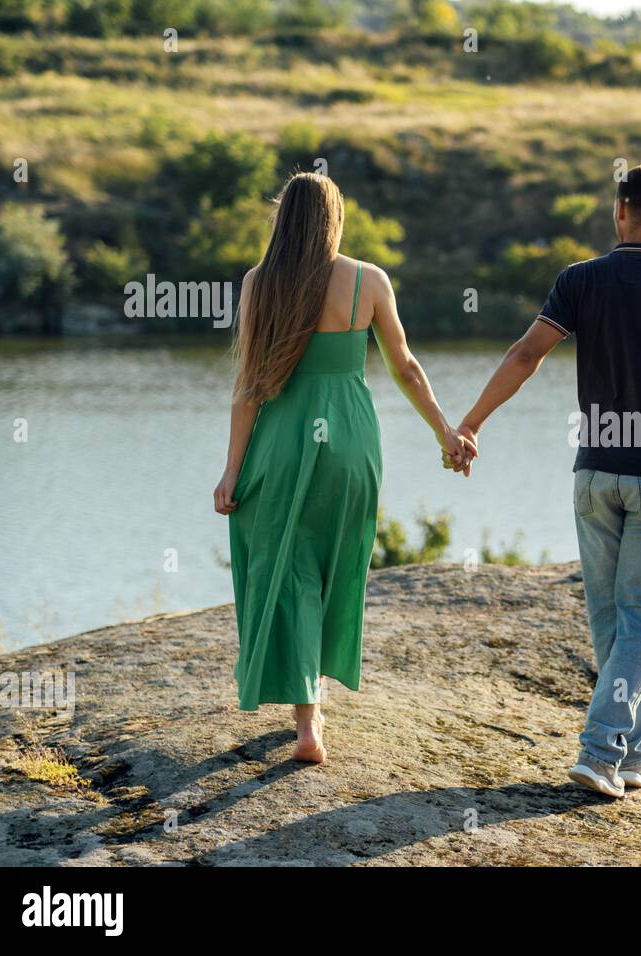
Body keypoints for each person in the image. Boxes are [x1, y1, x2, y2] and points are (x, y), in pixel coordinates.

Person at [449, 164, 641, 797]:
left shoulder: (579, 281)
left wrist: (472, 421)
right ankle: (598, 751)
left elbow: (524, 355)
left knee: (613, 623)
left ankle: (635, 751)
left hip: (595, 471)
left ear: (619, 210)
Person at [214, 172, 473, 763]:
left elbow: (249, 388)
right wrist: (446, 433)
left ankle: (307, 720)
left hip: (282, 439)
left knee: (289, 568)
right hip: (352, 439)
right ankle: (317, 702)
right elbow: (405, 366)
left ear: (284, 218)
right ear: (335, 218)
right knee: (339, 565)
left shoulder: (260, 284)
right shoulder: (368, 281)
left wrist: (231, 471)